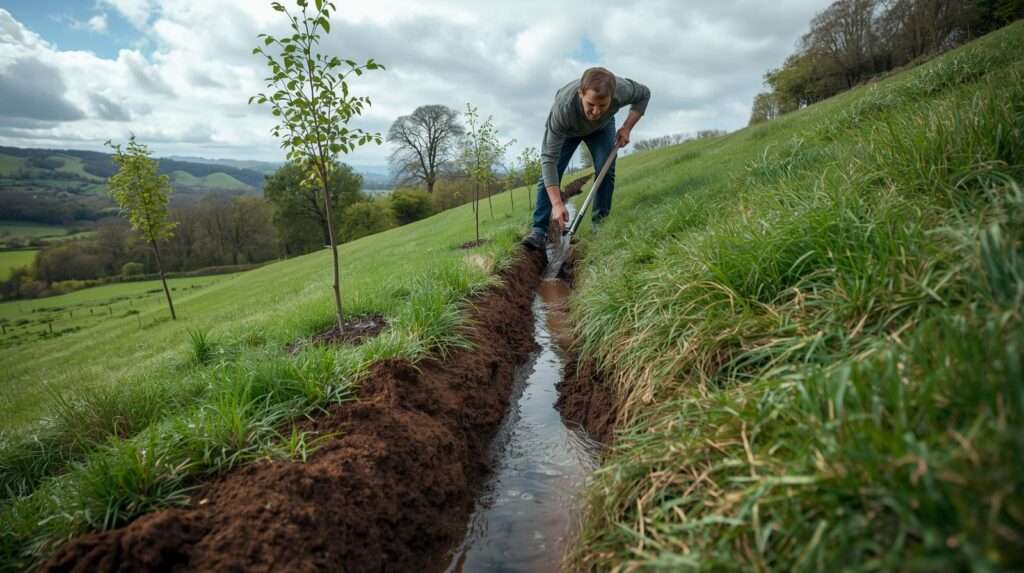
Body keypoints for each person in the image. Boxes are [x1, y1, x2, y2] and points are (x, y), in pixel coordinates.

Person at [522, 67, 650, 251]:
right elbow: (548, 159)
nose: (596, 111)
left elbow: (644, 94)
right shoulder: (563, 109)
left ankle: (599, 226)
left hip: (602, 129)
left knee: (605, 168)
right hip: (569, 130)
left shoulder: (622, 89)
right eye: (590, 104)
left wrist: (627, 127)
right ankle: (539, 230)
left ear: (613, 97)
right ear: (580, 93)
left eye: (603, 105)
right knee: (550, 174)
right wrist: (558, 204)